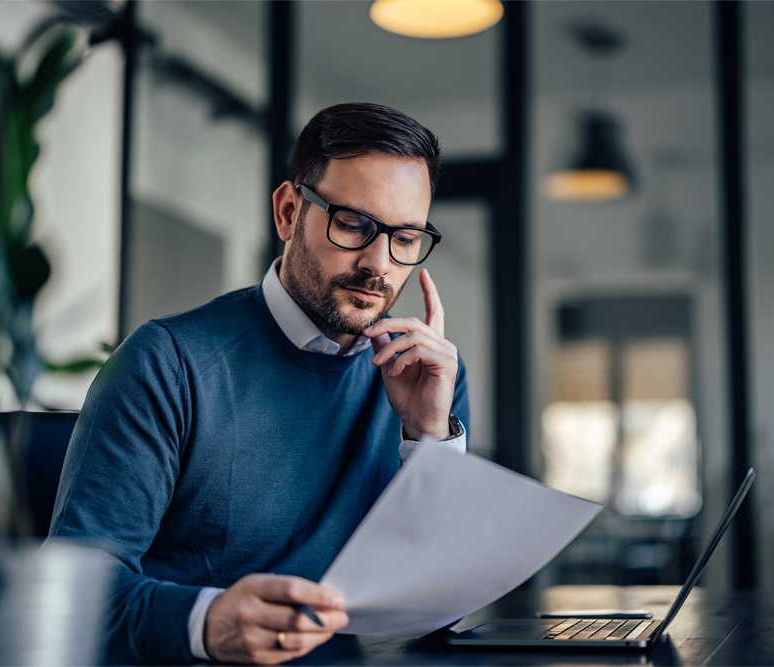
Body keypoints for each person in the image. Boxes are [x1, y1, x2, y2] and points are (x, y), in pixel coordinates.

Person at [48, 103, 470, 665]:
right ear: (289, 211)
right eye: (353, 224)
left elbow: (441, 602)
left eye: (406, 238)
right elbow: (72, 596)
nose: (380, 264)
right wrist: (206, 623)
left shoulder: (431, 378)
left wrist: (427, 436)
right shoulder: (166, 363)